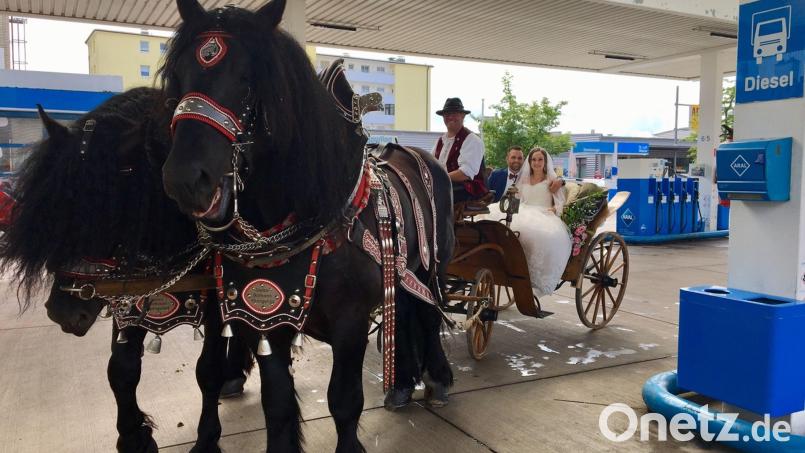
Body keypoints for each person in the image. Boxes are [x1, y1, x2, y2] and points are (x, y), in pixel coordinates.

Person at [488, 147, 572, 296]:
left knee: (536, 235)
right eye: (533, 159)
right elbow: (517, 199)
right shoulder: (524, 178)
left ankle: (533, 277)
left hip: (544, 213)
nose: (536, 162)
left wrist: (554, 209)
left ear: (545, 162)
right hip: (524, 210)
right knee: (500, 224)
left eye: (540, 159)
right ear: (530, 161)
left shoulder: (552, 180)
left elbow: (560, 203)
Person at [431, 97, 488, 203]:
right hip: (446, 185)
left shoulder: (472, 140)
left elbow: (465, 174)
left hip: (469, 189)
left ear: (463, 115)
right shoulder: (440, 141)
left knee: (433, 192)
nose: (450, 117)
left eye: (454, 113)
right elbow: (430, 165)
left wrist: (439, 178)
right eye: (447, 114)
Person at [489, 146, 566, 202]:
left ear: (524, 160)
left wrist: (560, 180)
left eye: (519, 158)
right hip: (498, 210)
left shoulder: (526, 175)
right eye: (513, 157)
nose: (516, 160)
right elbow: (484, 193)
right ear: (507, 159)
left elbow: (553, 180)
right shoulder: (496, 175)